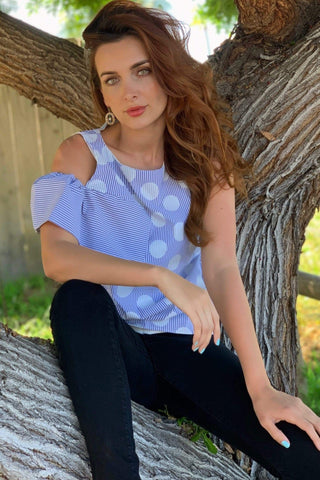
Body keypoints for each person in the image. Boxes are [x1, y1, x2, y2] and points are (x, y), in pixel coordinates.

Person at [31, 1, 320, 479]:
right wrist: (160, 276)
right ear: (100, 93)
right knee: (76, 297)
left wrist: (260, 385)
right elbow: (55, 257)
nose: (129, 91)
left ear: (166, 72)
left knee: (305, 456)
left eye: (142, 70)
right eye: (112, 79)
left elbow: (222, 267)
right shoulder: (80, 154)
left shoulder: (206, 164)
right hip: (109, 347)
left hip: (187, 350)